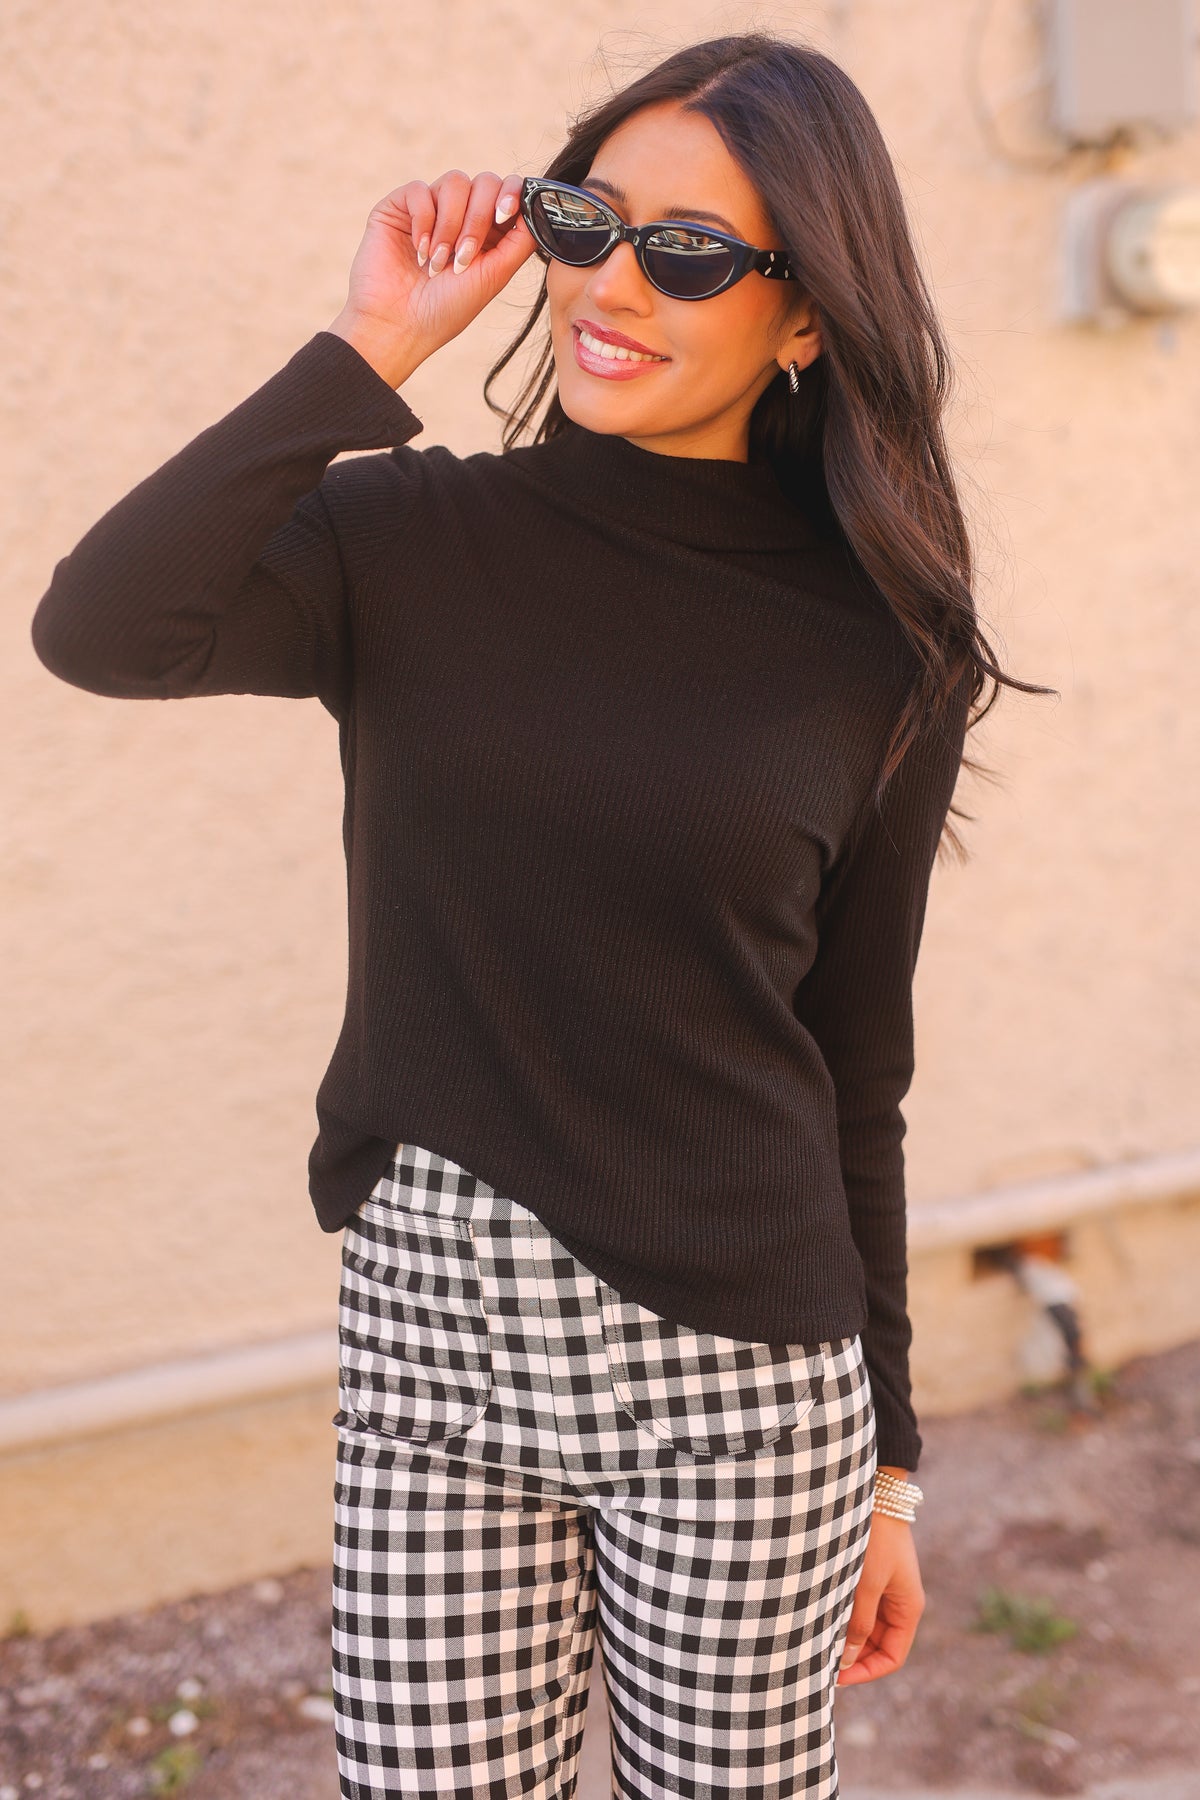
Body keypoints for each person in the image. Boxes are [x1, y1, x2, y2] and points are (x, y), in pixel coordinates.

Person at [31, 30, 1046, 1800]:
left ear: (806, 315)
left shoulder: (881, 649)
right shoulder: (403, 540)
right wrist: (373, 349)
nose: (614, 283)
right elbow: (103, 628)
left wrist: (886, 1468)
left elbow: (851, 1067)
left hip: (743, 1384)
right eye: (589, 219)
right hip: (436, 1340)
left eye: (693, 253)